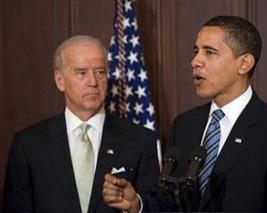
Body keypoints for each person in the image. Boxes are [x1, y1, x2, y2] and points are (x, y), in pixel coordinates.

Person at [165, 15, 267, 212]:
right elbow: (169, 202)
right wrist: (137, 204)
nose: (195, 61)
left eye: (209, 52)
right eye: (196, 51)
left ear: (244, 63)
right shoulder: (184, 125)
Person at [3, 35, 159, 213]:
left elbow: (158, 206)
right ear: (60, 80)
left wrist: (136, 206)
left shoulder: (140, 140)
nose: (93, 82)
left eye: (100, 72)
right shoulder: (28, 144)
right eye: (81, 73)